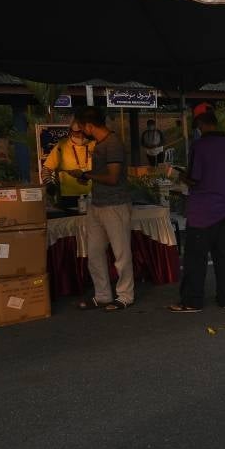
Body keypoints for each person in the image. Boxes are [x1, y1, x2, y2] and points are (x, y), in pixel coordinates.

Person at [170, 111, 225, 313]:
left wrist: (182, 176)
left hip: (203, 212)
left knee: (195, 259)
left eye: (198, 127)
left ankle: (192, 301)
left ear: (202, 125)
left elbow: (194, 178)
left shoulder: (199, 146)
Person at [71, 106, 135, 311]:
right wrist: (87, 176)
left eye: (81, 128)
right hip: (97, 203)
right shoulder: (99, 144)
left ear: (89, 125)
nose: (81, 132)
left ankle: (125, 295)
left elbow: (113, 177)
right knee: (95, 252)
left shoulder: (113, 144)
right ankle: (103, 294)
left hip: (115, 204)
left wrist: (86, 175)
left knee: (121, 253)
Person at [41, 119, 94, 210]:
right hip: (67, 197)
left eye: (83, 132)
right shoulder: (61, 146)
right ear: (70, 131)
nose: (80, 135)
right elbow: (46, 170)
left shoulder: (93, 144)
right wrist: (49, 185)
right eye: (77, 132)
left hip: (93, 195)